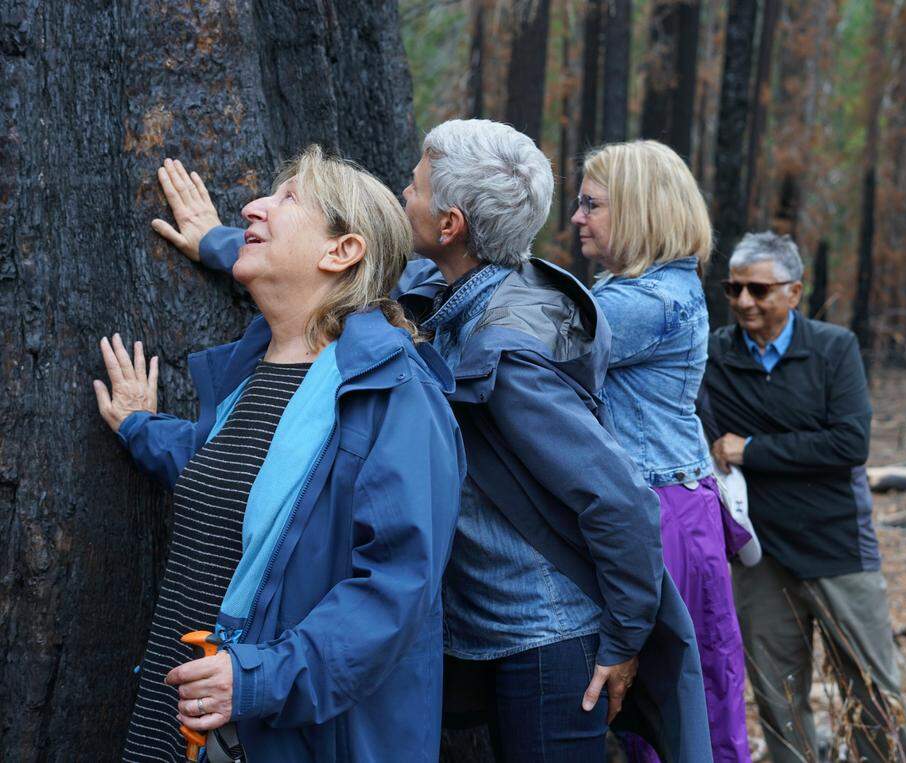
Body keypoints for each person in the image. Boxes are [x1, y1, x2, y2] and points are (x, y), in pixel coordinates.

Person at [154, 120, 711, 762]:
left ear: (449, 226)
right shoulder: (437, 295)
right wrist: (222, 243)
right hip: (476, 628)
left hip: (548, 636)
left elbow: (620, 500)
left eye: (413, 186)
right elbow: (325, 276)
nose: (401, 193)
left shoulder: (508, 356)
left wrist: (624, 637)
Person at [96, 146, 464, 762]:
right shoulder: (255, 369)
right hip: (184, 709)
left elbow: (398, 586)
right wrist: (141, 427)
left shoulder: (395, 395)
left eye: (287, 199)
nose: (253, 207)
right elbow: (240, 479)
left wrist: (261, 677)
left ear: (342, 251)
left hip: (286, 726)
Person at [702, 231, 906, 762]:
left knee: (872, 691)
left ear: (795, 292)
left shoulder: (832, 349)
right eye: (733, 289)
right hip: (760, 556)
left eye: (759, 289)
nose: (744, 302)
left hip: (837, 545)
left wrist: (750, 449)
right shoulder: (714, 354)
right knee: (778, 699)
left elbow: (849, 443)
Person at [570, 140, 751, 763]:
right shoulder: (658, 292)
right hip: (672, 505)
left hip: (663, 513)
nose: (577, 218)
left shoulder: (650, 303)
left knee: (671, 709)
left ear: (640, 211)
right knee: (686, 702)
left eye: (592, 204)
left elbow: (538, 335)